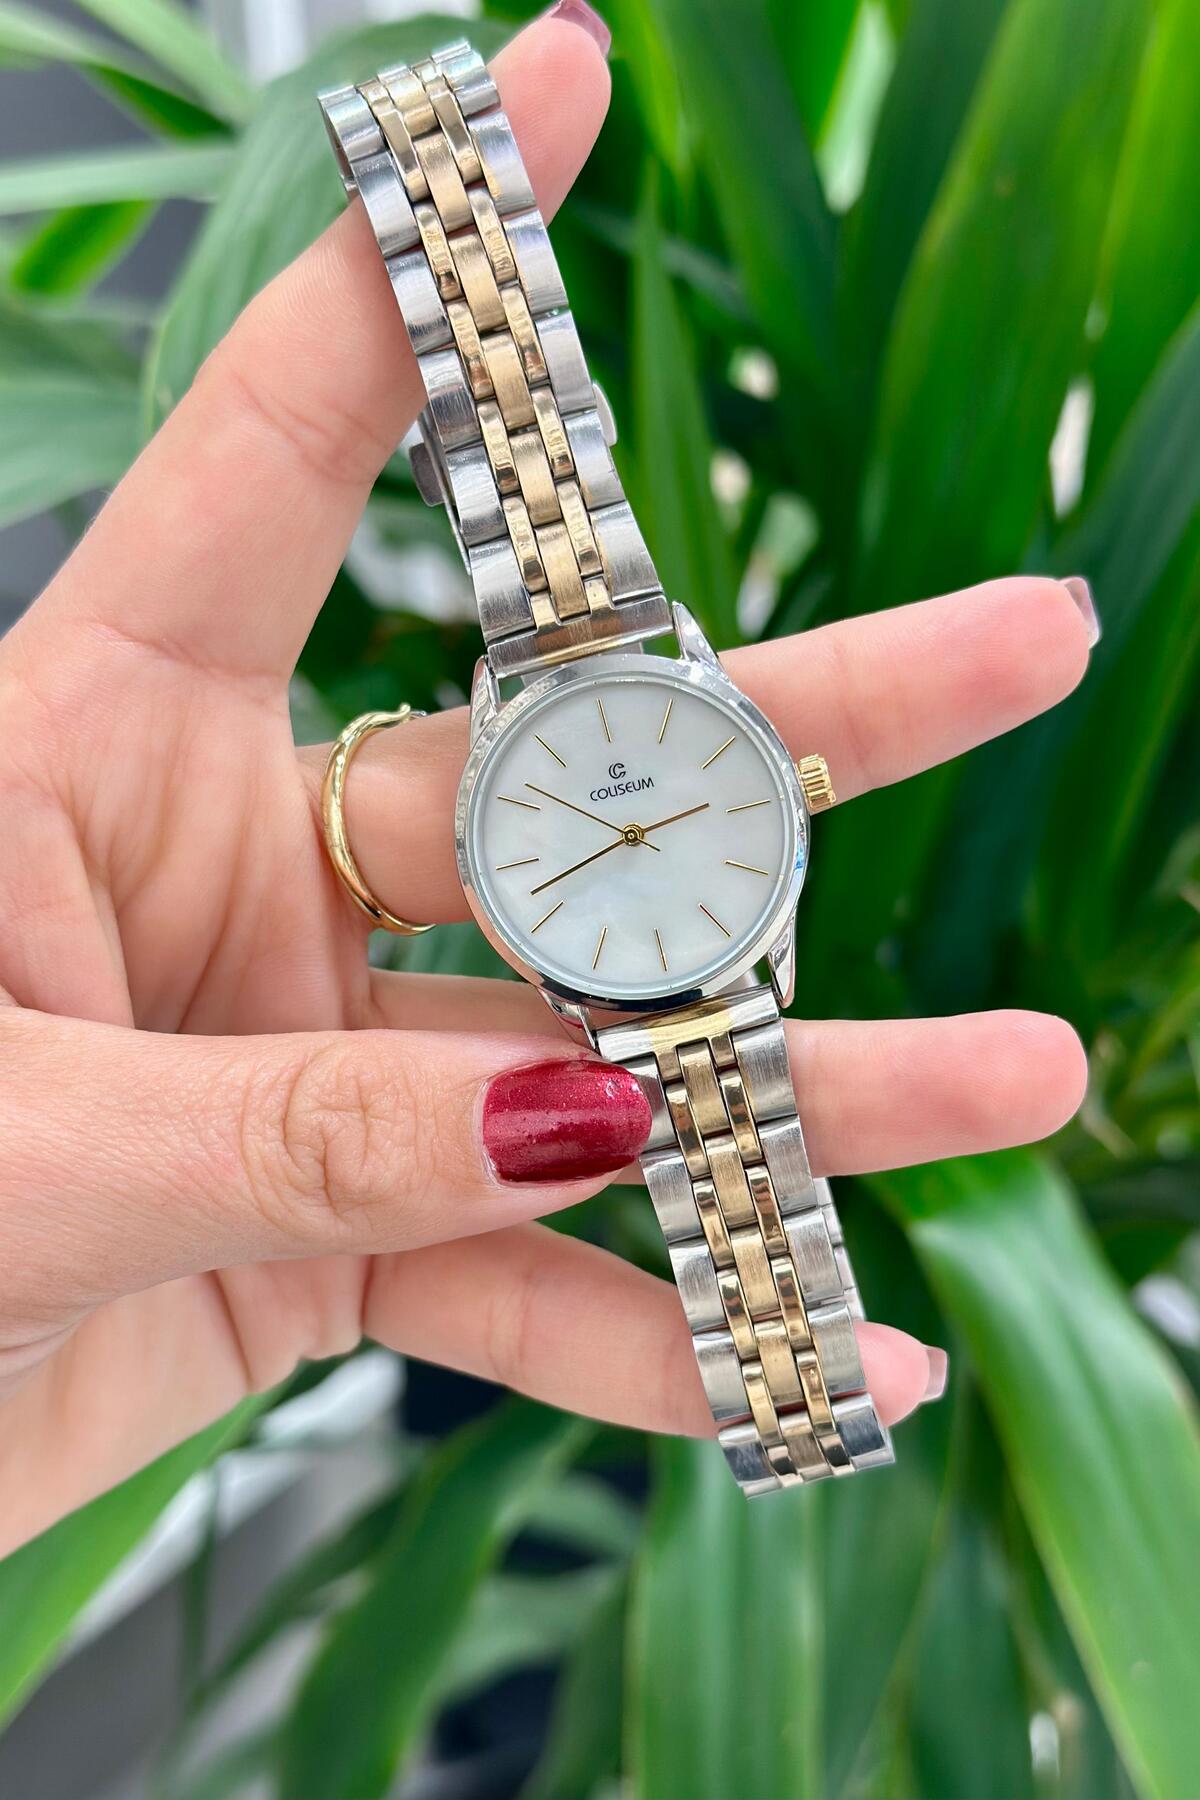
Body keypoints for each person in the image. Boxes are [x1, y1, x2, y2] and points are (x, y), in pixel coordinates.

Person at [0, 5, 1095, 1555]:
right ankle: (794, 1399)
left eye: (675, 810)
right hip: (640, 956)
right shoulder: (539, 826)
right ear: (484, 868)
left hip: (688, 944)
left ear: (782, 796)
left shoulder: (677, 799)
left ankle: (799, 1401)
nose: (644, 824)